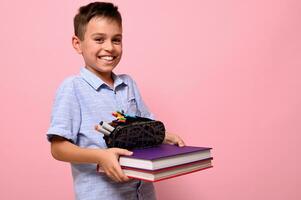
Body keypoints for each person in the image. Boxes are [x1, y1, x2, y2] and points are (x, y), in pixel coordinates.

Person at [47, 2, 185, 200]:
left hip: (142, 194)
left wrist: (162, 136)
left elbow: (144, 126)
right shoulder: (72, 88)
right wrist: (100, 156)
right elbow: (58, 148)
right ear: (78, 44)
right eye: (99, 39)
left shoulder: (128, 84)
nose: (109, 47)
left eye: (116, 40)